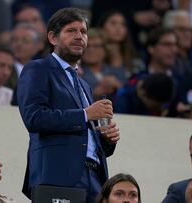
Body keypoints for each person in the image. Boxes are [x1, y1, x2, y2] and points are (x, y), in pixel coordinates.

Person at [17, 7, 120, 202]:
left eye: (83, 31)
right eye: (71, 31)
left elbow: (83, 135)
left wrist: (105, 139)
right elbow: (34, 117)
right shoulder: (38, 69)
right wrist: (85, 114)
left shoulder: (84, 85)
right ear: (53, 38)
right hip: (57, 176)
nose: (79, 36)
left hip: (95, 178)